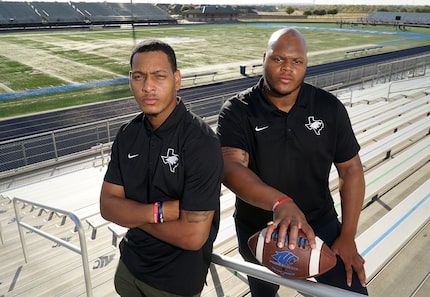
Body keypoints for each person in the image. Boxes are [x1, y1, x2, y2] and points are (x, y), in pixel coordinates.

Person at [217, 28, 368, 296]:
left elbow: (351, 169)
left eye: (296, 61)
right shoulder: (238, 110)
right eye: (278, 59)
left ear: (305, 65)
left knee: (351, 291)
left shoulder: (328, 107)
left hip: (319, 224)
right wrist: (281, 203)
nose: (287, 68)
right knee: (264, 293)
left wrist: (348, 235)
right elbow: (230, 167)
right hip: (260, 229)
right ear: (264, 58)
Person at [100, 39, 223, 297]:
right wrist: (160, 211)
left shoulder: (201, 141)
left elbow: (193, 236)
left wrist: (133, 215)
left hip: (174, 284)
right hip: (128, 270)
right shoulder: (127, 134)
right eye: (138, 77)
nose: (147, 87)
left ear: (176, 79)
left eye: (159, 76)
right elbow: (107, 206)